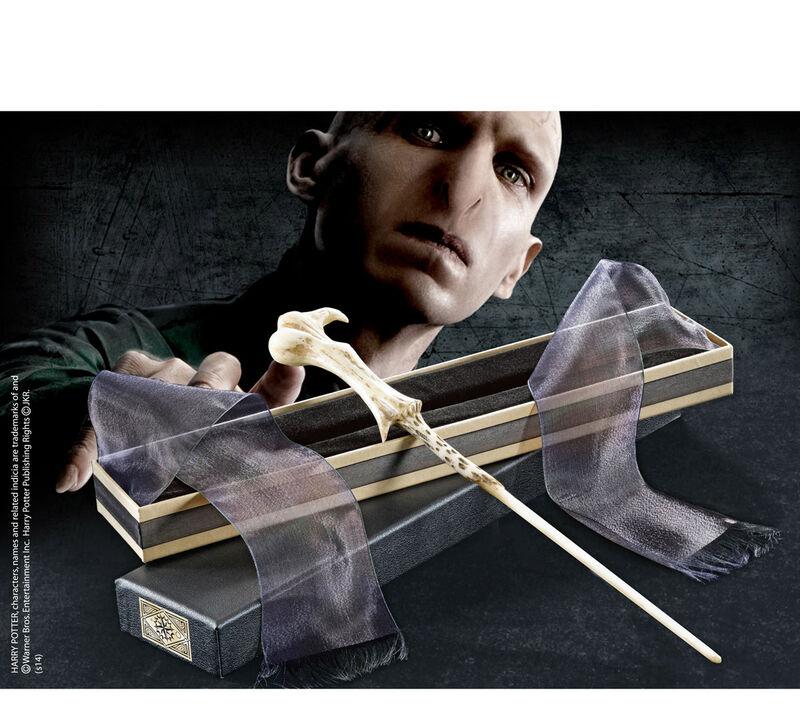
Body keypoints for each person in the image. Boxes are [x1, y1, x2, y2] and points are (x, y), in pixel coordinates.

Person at [0, 111, 562, 493]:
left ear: (517, 265)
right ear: (310, 166)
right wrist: (103, 412)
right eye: (428, 130)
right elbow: (20, 389)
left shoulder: (479, 472)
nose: (464, 191)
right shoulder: (113, 346)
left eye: (513, 172)